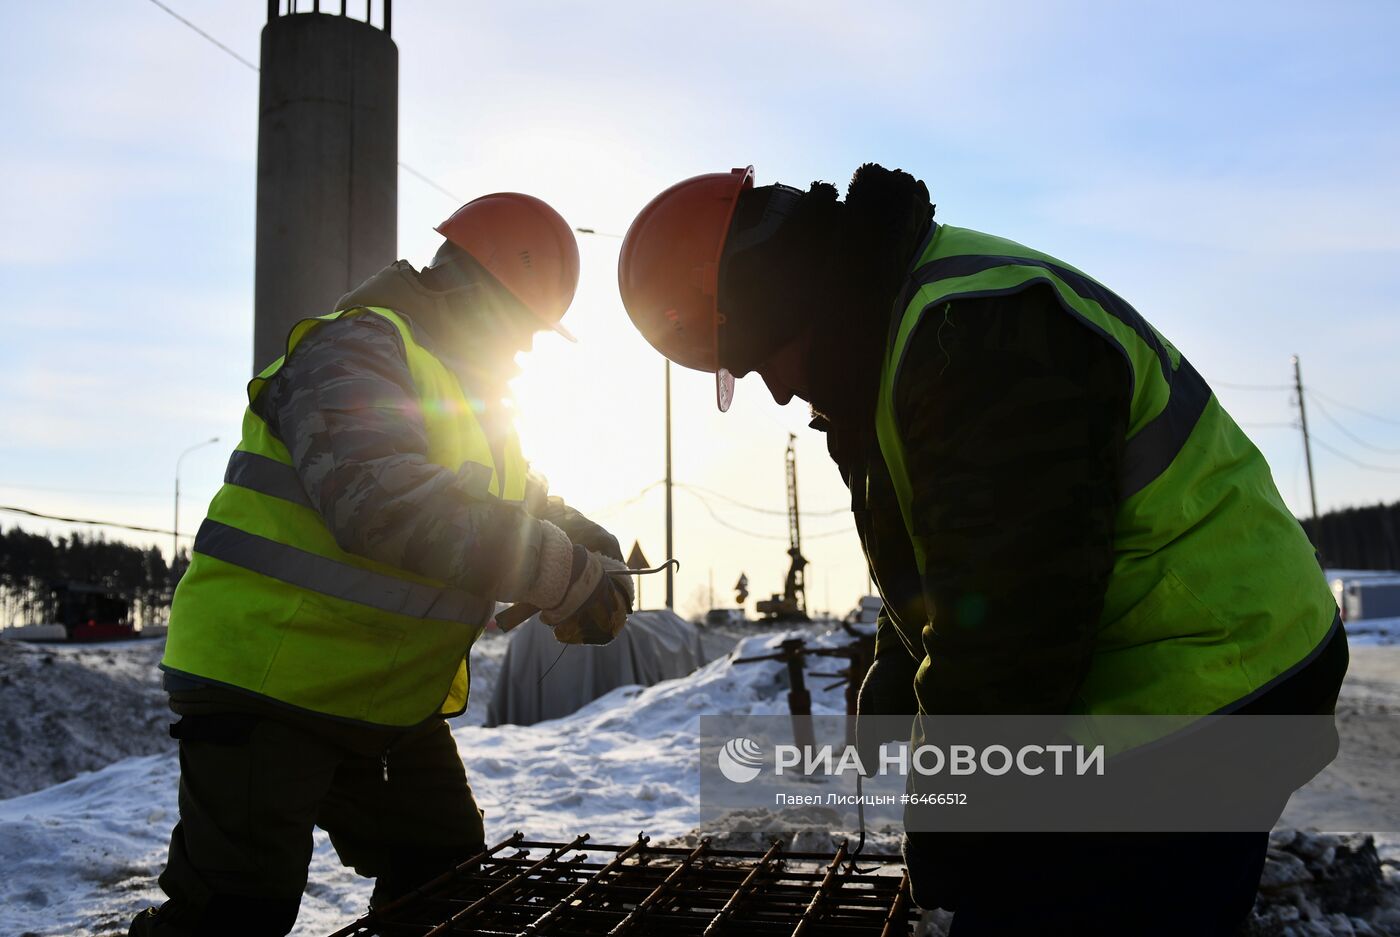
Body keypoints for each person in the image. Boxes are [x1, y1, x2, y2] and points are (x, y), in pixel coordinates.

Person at [616, 164, 1348, 935]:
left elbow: (1013, 621)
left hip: (1217, 673)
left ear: (775, 301)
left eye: (753, 358)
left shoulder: (974, 337)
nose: (770, 389)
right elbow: (954, 566)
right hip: (1159, 658)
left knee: (1048, 902)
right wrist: (900, 667)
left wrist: (952, 822)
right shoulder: (885, 345)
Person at [130, 193, 633, 936]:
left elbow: (518, 502)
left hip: (384, 701)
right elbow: (382, 502)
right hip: (269, 680)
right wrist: (558, 573)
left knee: (446, 877)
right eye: (520, 322)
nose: (525, 348)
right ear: (470, 288)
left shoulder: (475, 400)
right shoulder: (359, 347)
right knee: (236, 911)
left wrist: (591, 546)